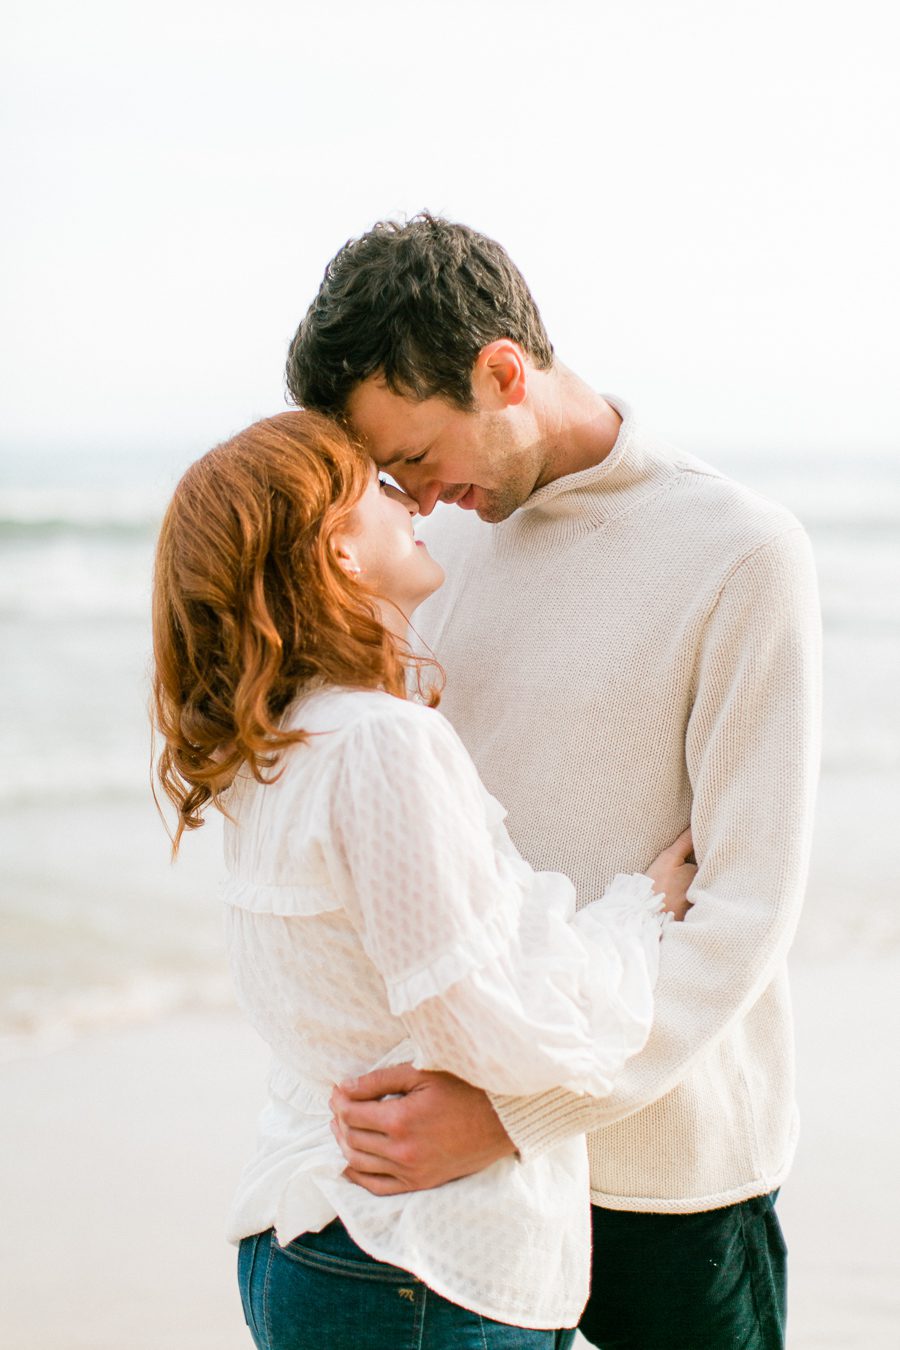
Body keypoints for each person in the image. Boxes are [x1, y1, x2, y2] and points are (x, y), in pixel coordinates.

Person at [286, 214, 823, 1350]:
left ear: (501, 371)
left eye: (420, 457)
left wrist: (520, 1116)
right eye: (390, 478)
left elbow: (746, 910)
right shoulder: (440, 554)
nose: (415, 499)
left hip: (666, 1181)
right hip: (475, 1187)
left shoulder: (742, 551)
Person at [150, 411, 696, 1349]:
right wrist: (638, 919)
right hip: (416, 1262)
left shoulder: (275, 752)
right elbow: (490, 1024)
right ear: (339, 553)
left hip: (313, 1235)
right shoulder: (381, 744)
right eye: (374, 489)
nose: (411, 500)